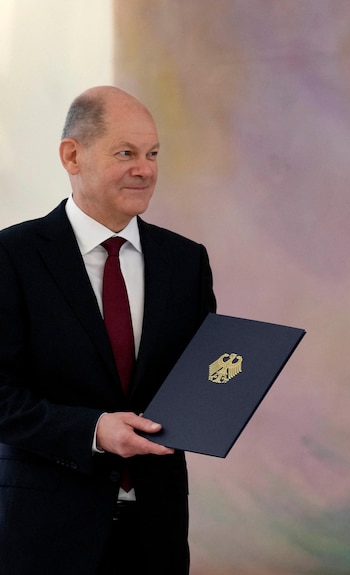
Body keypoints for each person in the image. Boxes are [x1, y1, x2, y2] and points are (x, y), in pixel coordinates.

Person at [0, 86, 216, 574]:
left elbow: (198, 382)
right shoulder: (12, 258)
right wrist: (94, 430)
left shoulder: (186, 261)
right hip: (45, 531)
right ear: (72, 156)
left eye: (153, 154)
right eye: (126, 153)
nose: (146, 169)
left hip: (155, 530)